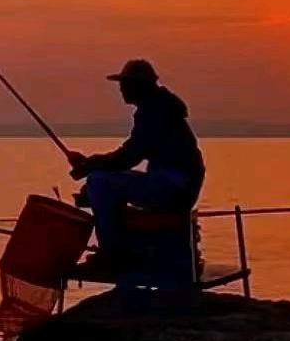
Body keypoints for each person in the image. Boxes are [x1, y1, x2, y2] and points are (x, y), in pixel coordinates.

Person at [67, 59, 204, 259]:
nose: (121, 88)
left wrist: (90, 165)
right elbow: (128, 155)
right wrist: (92, 164)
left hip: (173, 189)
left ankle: (111, 253)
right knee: (101, 178)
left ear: (139, 85)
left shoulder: (154, 111)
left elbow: (129, 156)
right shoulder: (160, 107)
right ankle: (123, 245)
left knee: (98, 182)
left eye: (125, 83)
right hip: (179, 187)